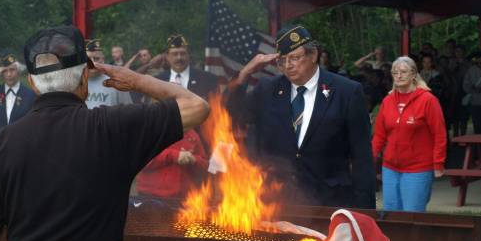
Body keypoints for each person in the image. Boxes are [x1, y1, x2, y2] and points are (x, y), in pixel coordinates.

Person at [0, 25, 209, 241]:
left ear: (32, 84)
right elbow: (197, 107)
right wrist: (135, 80)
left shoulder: (3, 141)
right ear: (84, 78)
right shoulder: (114, 127)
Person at [227, 25, 375, 208]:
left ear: (313, 55)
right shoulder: (267, 90)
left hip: (329, 202)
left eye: (294, 58)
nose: (288, 66)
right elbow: (230, 113)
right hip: (277, 203)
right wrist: (245, 73)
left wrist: (365, 212)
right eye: (282, 61)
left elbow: (362, 156)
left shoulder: (346, 92)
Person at [372, 56, 447, 212]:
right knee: (390, 213)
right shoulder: (388, 100)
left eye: (403, 72)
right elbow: (379, 135)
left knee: (412, 214)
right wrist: (369, 159)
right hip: (390, 167)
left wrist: (438, 162)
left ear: (413, 74)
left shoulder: (428, 100)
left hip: (418, 168)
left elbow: (439, 135)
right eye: (395, 72)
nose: (398, 76)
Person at [137, 128, 208, 198]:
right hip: (151, 197)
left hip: (183, 200)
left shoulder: (192, 135)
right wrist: (174, 156)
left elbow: (205, 166)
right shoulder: (154, 129)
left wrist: (193, 159)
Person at [155, 34, 219, 100]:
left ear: (189, 55)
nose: (179, 58)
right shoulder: (158, 81)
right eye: (174, 54)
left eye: (182, 53)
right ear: (167, 57)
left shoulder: (208, 79)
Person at [84, 39, 133, 108]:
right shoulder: (75, 83)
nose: (93, 63)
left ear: (103, 60)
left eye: (96, 59)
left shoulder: (117, 81)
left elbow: (129, 110)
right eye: (88, 59)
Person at [463, 50, 481, 134]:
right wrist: (472, 88)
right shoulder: (471, 70)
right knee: (477, 125)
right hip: (474, 102)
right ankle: (479, 146)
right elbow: (465, 85)